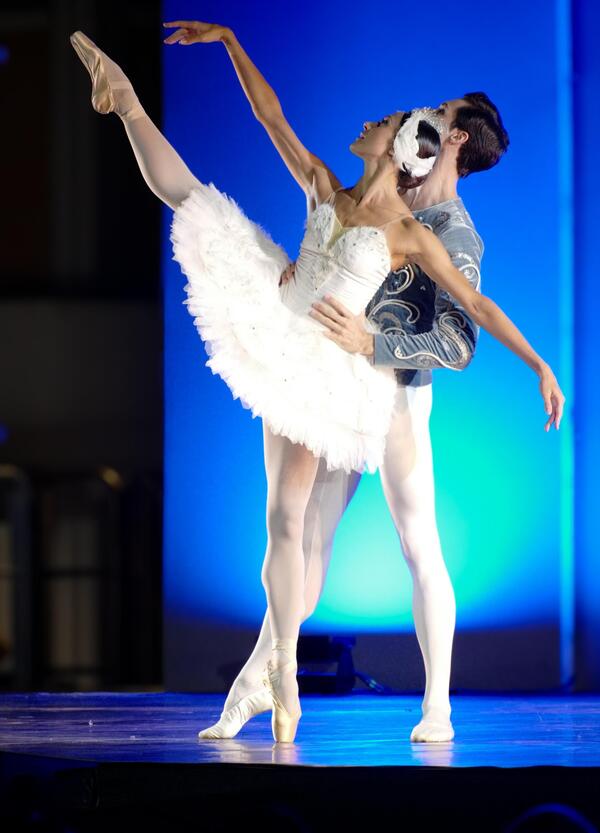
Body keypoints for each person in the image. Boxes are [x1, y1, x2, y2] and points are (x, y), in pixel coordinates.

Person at [70, 22, 564, 744]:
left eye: (433, 114)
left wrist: (528, 362)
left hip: (391, 391)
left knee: (416, 538)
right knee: (303, 546)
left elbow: (463, 332)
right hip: (320, 360)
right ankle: (259, 683)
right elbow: (277, 124)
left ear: (447, 138)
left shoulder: (445, 231)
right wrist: (234, 42)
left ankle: (434, 703)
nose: (414, 114)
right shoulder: (340, 187)